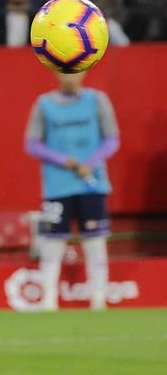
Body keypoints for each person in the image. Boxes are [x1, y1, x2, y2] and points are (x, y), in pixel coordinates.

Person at [25, 71, 120, 311]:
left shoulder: (98, 100)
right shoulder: (44, 104)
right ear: (56, 74)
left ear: (85, 72)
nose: (71, 78)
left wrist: (91, 161)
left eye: (76, 72)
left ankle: (99, 300)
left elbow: (112, 139)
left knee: (95, 241)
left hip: (91, 183)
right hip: (57, 187)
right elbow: (31, 144)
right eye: (65, 73)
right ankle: (48, 302)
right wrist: (62, 160)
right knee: (52, 243)